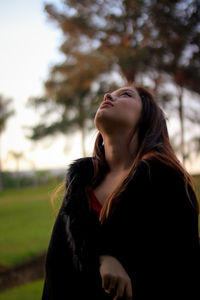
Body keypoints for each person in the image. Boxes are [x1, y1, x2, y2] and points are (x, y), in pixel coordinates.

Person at [42, 83, 200, 300]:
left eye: (125, 95)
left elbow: (183, 272)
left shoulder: (168, 181)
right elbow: (56, 270)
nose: (107, 95)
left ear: (147, 118)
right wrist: (102, 256)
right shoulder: (80, 184)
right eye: (110, 94)